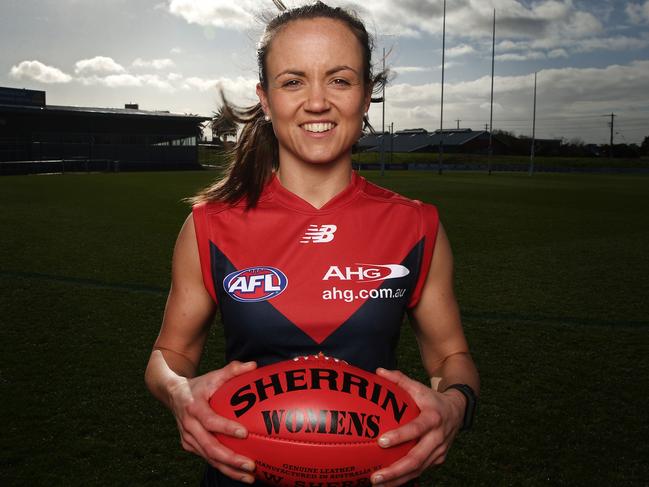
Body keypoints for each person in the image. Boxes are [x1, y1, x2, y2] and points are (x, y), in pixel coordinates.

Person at [144, 2, 480, 486]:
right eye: (293, 81)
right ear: (265, 98)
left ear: (367, 97)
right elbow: (168, 355)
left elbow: (451, 358)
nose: (317, 102)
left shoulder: (416, 225)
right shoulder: (210, 225)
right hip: (240, 472)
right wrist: (178, 393)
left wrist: (454, 404)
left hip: (376, 470)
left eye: (340, 80)